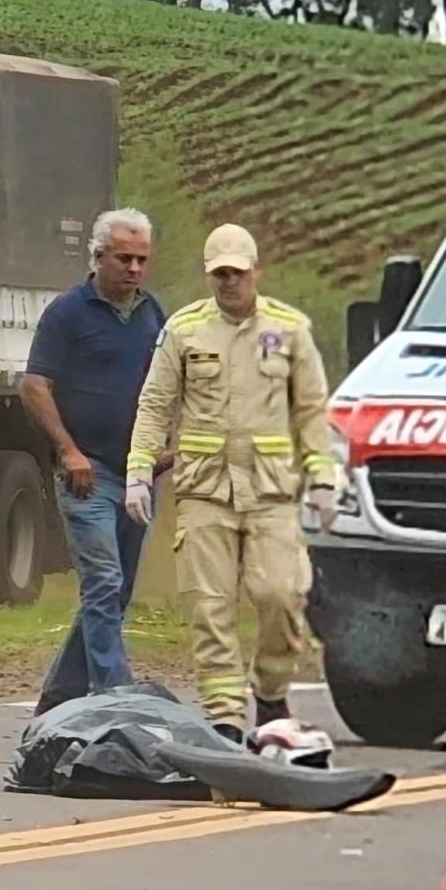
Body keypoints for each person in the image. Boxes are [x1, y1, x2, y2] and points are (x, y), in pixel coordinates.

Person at [123, 223, 337, 742]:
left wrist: (324, 477)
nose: (228, 283)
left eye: (237, 273)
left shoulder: (288, 329)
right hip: (205, 491)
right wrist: (138, 472)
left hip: (270, 492)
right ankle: (224, 718)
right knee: (210, 608)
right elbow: (156, 403)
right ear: (208, 274)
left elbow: (310, 407)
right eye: (219, 273)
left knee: (281, 595)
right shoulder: (184, 329)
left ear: (255, 271)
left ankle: (269, 692)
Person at [21, 208, 167, 715]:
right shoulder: (68, 312)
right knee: (102, 581)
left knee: (117, 592)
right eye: (124, 258)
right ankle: (113, 696)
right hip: (89, 475)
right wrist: (68, 449)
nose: (133, 269)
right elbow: (35, 385)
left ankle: (59, 695)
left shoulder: (154, 316)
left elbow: (170, 386)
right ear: (99, 257)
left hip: (140, 475)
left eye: (142, 260)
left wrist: (163, 451)